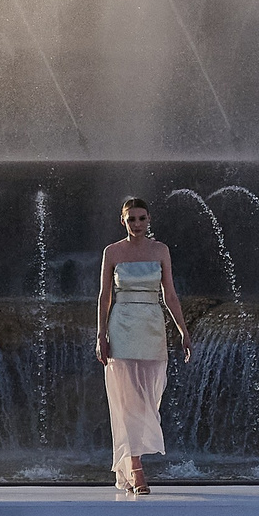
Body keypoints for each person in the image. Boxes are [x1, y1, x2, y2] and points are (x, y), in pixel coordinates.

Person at [97, 197, 191, 495]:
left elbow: (171, 295)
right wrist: (101, 335)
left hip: (152, 325)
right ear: (122, 221)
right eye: (131, 219)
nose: (137, 224)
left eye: (141, 218)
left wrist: (183, 331)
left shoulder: (161, 250)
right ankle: (136, 469)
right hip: (122, 325)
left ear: (149, 220)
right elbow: (104, 297)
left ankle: (132, 458)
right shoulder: (112, 252)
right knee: (128, 400)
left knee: (151, 396)